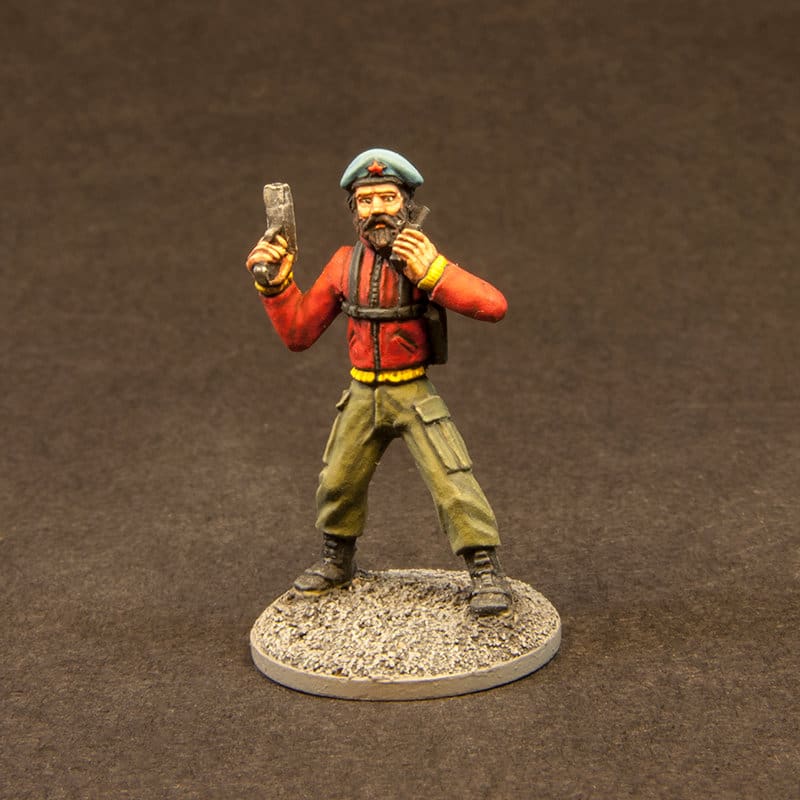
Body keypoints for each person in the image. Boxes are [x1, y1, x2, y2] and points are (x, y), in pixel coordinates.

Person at [245, 148, 512, 615]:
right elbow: (299, 333)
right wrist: (275, 285)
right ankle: (337, 559)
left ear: (407, 204)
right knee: (338, 478)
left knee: (452, 479)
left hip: (412, 392)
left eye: (387, 197)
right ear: (354, 211)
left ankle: (485, 570)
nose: (377, 210)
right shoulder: (343, 264)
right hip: (362, 391)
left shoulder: (422, 259)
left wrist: (434, 272)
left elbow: (493, 306)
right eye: (366, 201)